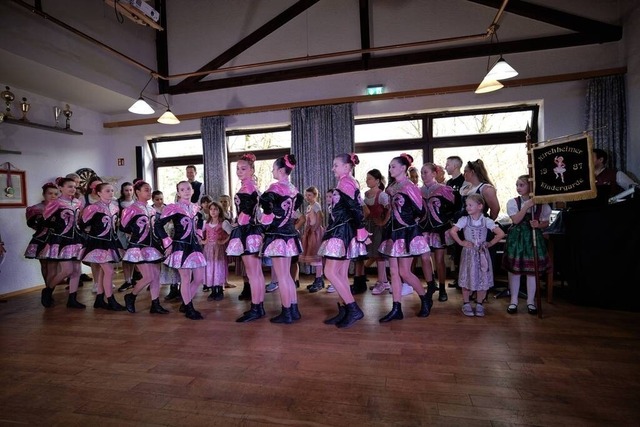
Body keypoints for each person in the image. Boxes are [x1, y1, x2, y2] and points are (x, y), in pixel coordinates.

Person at [378, 153, 433, 322]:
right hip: (393, 233)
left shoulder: (410, 186)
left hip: (406, 233)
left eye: (393, 166)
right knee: (393, 272)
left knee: (404, 272)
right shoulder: (391, 187)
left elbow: (421, 211)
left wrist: (410, 224)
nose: (390, 169)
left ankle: (425, 298)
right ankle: (396, 308)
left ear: (403, 168)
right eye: (390, 166)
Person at [317, 153, 369, 328]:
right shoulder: (348, 181)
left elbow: (356, 208)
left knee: (330, 272)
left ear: (347, 167)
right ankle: (345, 310)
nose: (333, 168)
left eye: (336, 165)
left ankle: (353, 308)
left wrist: (361, 228)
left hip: (342, 231)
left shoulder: (346, 182)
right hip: (344, 230)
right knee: (340, 274)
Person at [259, 154, 304, 324]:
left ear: (279, 170)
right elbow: (298, 201)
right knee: (287, 276)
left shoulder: (276, 187)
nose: (272, 171)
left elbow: (265, 200)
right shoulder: (293, 188)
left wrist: (269, 216)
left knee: (282, 276)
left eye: (273, 168)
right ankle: (293, 309)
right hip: (290, 234)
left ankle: (286, 312)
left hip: (278, 235)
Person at [155, 181, 207, 320]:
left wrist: (199, 233)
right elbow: (158, 225)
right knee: (185, 278)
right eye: (182, 189)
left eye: (188, 188)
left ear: (193, 191)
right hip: (180, 246)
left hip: (195, 246)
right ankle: (189, 308)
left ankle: (185, 302)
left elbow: (200, 219)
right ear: (178, 193)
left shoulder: (195, 207)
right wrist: (167, 243)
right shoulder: (174, 208)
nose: (186, 191)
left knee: (199, 278)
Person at [449, 194, 505, 317]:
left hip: (482, 254)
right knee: (467, 277)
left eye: (470, 205)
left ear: (480, 206)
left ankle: (479, 303)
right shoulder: (464, 220)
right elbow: (453, 231)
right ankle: (466, 303)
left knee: (482, 278)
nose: (467, 207)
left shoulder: (486, 221)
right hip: (468, 254)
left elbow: (500, 233)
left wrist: (490, 243)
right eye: (466, 205)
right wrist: (461, 242)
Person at [226, 153, 267, 322]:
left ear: (252, 170)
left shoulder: (247, 188)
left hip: (247, 232)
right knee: (256, 273)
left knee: (253, 274)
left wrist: (236, 223)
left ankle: (256, 308)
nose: (239, 171)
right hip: (253, 231)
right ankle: (258, 307)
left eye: (243, 168)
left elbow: (246, 214)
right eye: (237, 168)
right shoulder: (251, 186)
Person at [502, 175, 551, 315]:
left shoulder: (542, 204)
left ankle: (530, 301)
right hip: (517, 239)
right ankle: (513, 300)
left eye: (521, 185)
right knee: (514, 271)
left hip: (533, 239)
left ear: (531, 186)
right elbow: (516, 220)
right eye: (517, 185)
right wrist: (526, 206)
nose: (518, 188)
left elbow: (546, 222)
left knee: (532, 271)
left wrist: (538, 224)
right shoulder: (513, 202)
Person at [121, 180, 169, 314]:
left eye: (150, 190)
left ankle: (155, 304)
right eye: (146, 190)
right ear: (137, 192)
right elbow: (123, 227)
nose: (149, 192)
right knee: (148, 276)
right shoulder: (131, 209)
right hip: (138, 246)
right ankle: (131, 296)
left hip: (153, 245)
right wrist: (138, 233)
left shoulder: (151, 209)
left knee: (156, 276)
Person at [38, 177, 85, 309]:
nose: (73, 189)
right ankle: (48, 290)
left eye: (74, 187)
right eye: (69, 186)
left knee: (76, 270)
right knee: (67, 270)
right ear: (60, 188)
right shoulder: (56, 202)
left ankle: (72, 299)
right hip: (62, 239)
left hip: (76, 239)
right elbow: (45, 219)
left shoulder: (77, 202)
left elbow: (79, 220)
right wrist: (57, 227)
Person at [80, 182, 126, 311]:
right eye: (107, 191)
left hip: (110, 242)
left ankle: (99, 299)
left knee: (102, 271)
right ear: (99, 193)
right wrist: (92, 232)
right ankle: (111, 300)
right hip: (98, 243)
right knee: (109, 271)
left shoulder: (115, 207)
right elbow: (82, 224)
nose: (111, 193)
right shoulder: (93, 208)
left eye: (112, 190)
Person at [419, 163, 456, 302]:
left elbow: (453, 207)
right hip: (423, 228)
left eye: (426, 172)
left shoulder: (443, 189)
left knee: (439, 259)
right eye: (422, 172)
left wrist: (447, 220)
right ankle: (430, 285)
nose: (423, 175)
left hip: (439, 228)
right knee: (424, 258)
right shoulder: (418, 190)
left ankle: (442, 288)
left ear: (434, 173)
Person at [24, 182, 59, 284]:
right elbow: (32, 225)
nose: (53, 196)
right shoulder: (35, 208)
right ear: (44, 194)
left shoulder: (61, 208)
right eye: (50, 193)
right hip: (42, 238)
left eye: (56, 194)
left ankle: (50, 287)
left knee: (54, 266)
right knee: (44, 264)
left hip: (57, 239)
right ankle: (48, 287)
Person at [363, 169, 391, 295]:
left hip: (378, 228)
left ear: (377, 180)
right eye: (367, 178)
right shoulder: (366, 194)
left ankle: (381, 282)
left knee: (379, 254)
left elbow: (390, 209)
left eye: (370, 178)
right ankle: (384, 281)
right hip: (369, 227)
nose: (367, 180)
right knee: (373, 253)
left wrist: (383, 222)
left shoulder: (382, 195)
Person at [152, 190, 181, 301]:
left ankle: (182, 289)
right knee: (169, 266)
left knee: (179, 266)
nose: (160, 201)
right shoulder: (167, 211)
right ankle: (173, 288)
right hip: (166, 242)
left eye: (161, 199)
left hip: (178, 241)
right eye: (157, 199)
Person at [202, 201, 230, 301]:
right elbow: (198, 233)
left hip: (218, 249)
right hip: (208, 249)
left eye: (215, 209)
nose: (213, 211)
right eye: (211, 209)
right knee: (210, 268)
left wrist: (223, 241)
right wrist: (203, 241)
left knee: (218, 267)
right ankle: (213, 291)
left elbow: (232, 233)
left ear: (219, 211)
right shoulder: (206, 223)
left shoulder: (223, 223)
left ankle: (220, 290)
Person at [301, 186, 326, 293]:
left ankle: (319, 280)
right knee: (313, 257)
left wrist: (314, 229)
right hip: (310, 232)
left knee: (317, 257)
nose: (307, 197)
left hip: (316, 233)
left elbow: (320, 217)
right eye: (306, 195)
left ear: (315, 195)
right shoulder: (309, 206)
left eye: (310, 195)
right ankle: (318, 279)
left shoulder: (316, 205)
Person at [116, 181, 137, 292]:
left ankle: (131, 278)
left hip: (134, 232)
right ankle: (127, 280)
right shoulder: (118, 203)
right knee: (125, 256)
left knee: (131, 256)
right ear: (122, 191)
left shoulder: (136, 203)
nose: (128, 192)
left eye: (130, 190)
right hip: (122, 232)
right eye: (126, 190)